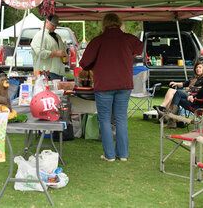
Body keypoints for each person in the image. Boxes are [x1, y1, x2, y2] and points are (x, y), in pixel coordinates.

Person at [79, 13, 143, 162]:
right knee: (121, 119)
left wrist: (95, 65)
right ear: (120, 23)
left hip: (104, 85)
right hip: (124, 84)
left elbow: (84, 63)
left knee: (105, 120)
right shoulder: (128, 38)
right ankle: (123, 155)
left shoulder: (98, 40)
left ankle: (109, 155)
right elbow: (140, 48)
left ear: (104, 24)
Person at [30, 15, 67, 80]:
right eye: (53, 25)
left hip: (59, 72)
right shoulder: (40, 35)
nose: (55, 27)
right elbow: (40, 53)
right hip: (46, 73)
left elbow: (63, 51)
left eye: (56, 25)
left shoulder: (58, 36)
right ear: (46, 22)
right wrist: (55, 53)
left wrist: (65, 56)